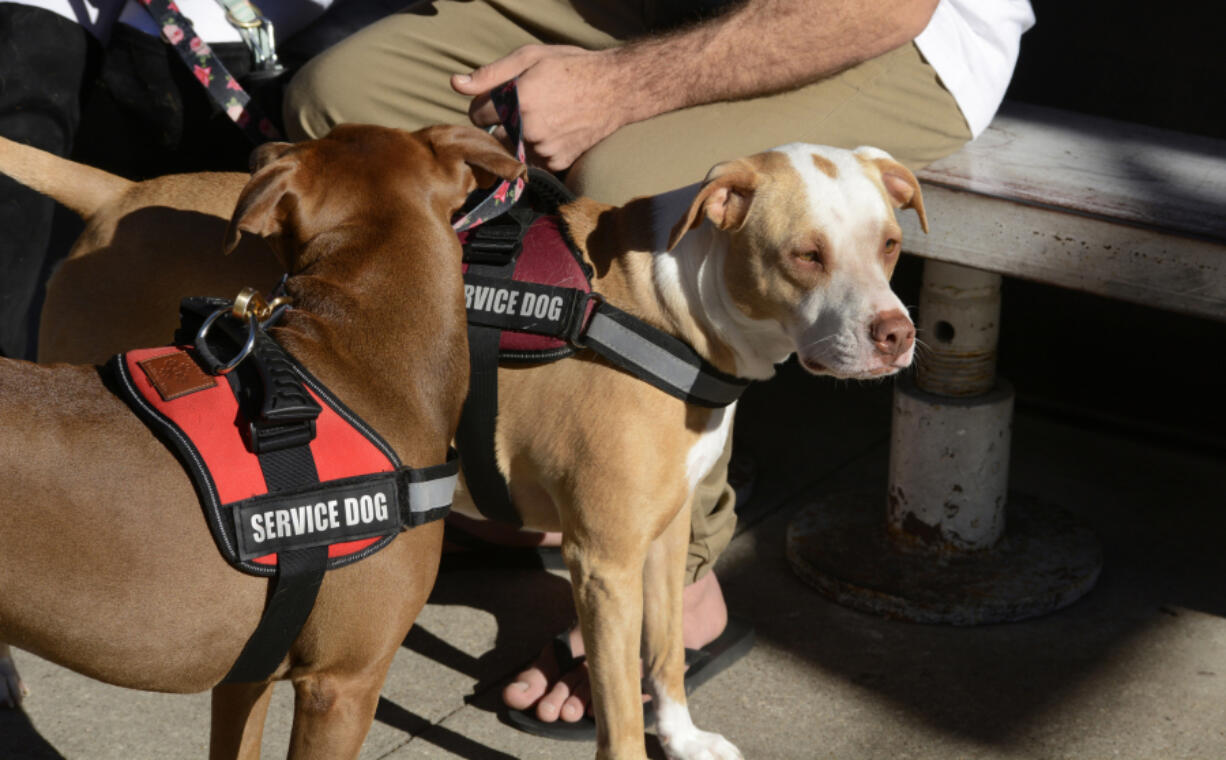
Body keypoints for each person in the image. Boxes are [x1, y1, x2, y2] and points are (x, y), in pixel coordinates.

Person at [282, 0, 1035, 734]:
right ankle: (524, 459)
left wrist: (614, 86)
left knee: (622, 184)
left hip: (880, 29)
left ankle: (680, 575)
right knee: (338, 103)